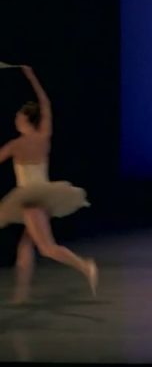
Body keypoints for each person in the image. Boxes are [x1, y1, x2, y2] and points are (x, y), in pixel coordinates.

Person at [0, 65, 97, 296]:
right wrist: (32, 76)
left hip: (30, 198)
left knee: (46, 248)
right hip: (41, 195)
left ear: (25, 120)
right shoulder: (44, 137)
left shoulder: (17, 145)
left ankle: (85, 266)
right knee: (26, 245)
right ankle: (21, 293)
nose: (16, 119)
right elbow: (46, 105)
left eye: (18, 116)